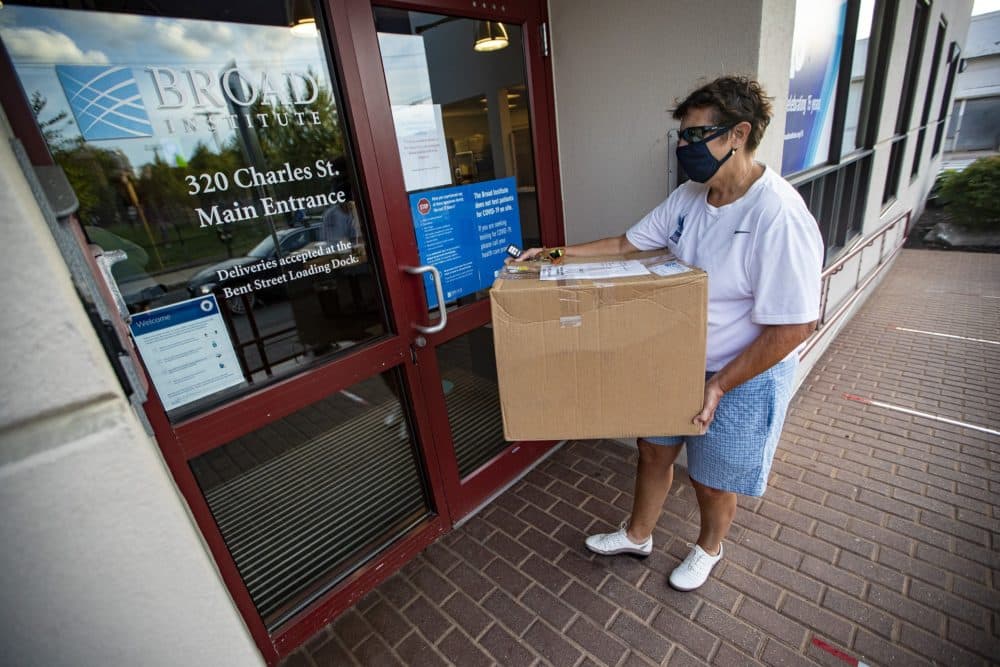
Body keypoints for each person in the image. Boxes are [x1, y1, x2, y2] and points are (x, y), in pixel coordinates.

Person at [515, 76, 823, 591]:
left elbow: (794, 324)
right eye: (682, 136)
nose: (685, 147)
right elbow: (624, 242)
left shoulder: (778, 215)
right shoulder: (689, 198)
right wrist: (549, 255)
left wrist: (720, 383)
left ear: (738, 135)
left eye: (697, 136)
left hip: (744, 372)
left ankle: (709, 547)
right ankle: (638, 535)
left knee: (711, 475)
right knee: (654, 449)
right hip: (677, 357)